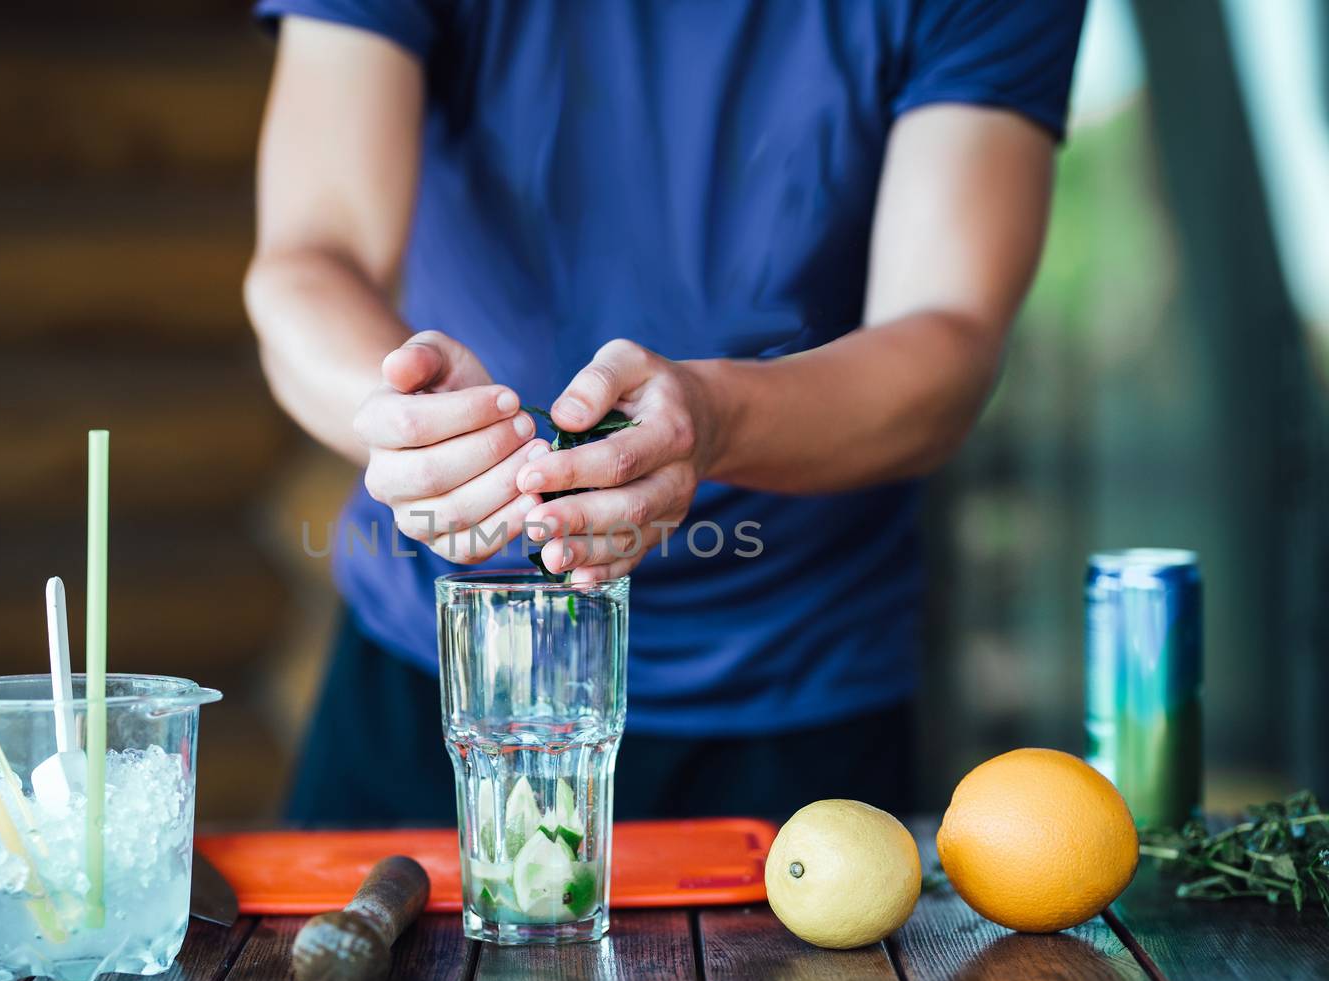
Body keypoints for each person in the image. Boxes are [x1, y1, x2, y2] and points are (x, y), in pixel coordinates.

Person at [245, 0, 1086, 824]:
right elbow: (312, 257)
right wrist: (406, 419)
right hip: (442, 673)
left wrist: (718, 419)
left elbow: (950, 341)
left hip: (796, 684)